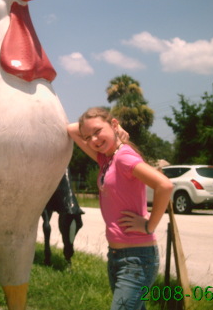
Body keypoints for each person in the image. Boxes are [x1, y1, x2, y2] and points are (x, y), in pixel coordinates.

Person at [67, 107, 173, 310]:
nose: (94, 140)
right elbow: (72, 129)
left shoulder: (123, 157)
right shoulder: (106, 158)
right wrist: (110, 129)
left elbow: (164, 185)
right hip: (116, 256)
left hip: (137, 259)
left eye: (98, 131)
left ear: (114, 124)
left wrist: (149, 225)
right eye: (88, 137)